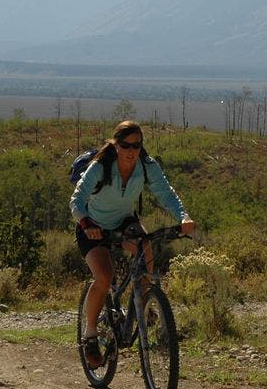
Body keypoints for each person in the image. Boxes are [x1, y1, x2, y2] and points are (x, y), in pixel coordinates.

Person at [70, 120, 195, 368]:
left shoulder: (146, 166)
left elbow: (166, 193)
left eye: (137, 145)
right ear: (116, 144)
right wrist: (86, 223)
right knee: (104, 277)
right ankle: (91, 335)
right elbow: (77, 200)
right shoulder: (100, 167)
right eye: (126, 144)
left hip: (124, 222)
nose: (132, 150)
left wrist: (183, 216)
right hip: (93, 227)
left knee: (145, 246)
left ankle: (145, 304)